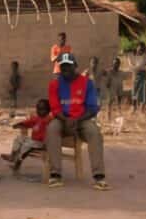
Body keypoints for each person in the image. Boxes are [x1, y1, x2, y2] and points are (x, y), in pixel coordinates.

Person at [46, 52, 109, 190]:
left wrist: (77, 119)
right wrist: (67, 119)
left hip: (82, 120)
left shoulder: (87, 83)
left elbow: (92, 108)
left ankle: (99, 177)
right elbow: (55, 108)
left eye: (68, 66)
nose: (65, 70)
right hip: (62, 119)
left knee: (94, 131)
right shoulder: (54, 84)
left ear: (75, 66)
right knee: (51, 129)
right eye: (62, 67)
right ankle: (55, 174)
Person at [2, 98, 51, 172]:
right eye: (38, 109)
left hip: (41, 143)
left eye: (42, 109)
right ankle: (13, 156)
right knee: (19, 138)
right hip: (33, 141)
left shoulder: (48, 120)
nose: (39, 111)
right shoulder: (37, 118)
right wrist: (19, 124)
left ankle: (17, 163)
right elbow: (28, 122)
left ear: (48, 111)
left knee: (26, 145)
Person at [129, 42, 146, 113]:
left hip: (143, 73)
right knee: (134, 90)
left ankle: (142, 108)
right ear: (137, 47)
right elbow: (131, 64)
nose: (140, 50)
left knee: (143, 91)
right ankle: (133, 107)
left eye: (142, 49)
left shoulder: (144, 56)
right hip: (135, 73)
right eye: (139, 48)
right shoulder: (132, 55)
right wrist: (133, 68)